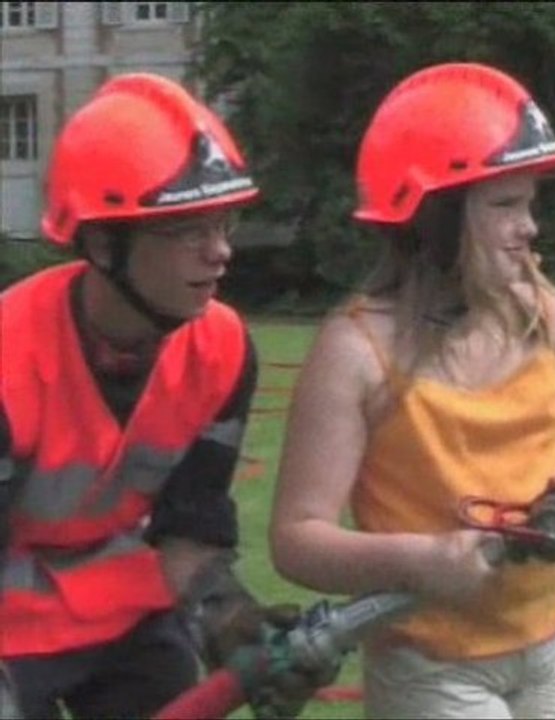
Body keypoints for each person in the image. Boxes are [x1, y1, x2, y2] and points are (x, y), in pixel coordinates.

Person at [270, 62, 555, 719]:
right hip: (429, 665)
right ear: (431, 218)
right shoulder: (356, 351)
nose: (530, 227)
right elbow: (297, 538)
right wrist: (423, 559)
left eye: (530, 203)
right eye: (504, 205)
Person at [0, 73, 320, 720]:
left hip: (127, 618)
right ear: (100, 242)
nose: (221, 251)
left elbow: (189, 528)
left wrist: (232, 622)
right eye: (185, 231)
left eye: (224, 222)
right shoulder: (7, 355)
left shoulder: (223, 349)